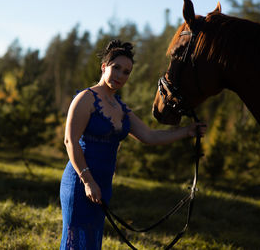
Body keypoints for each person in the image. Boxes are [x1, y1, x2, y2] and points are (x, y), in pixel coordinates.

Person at [59, 39, 206, 249]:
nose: (120, 75)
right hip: (80, 182)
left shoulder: (120, 107)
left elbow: (150, 136)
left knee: (92, 240)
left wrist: (188, 131)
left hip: (103, 184)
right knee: (77, 240)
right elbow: (70, 141)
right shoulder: (85, 99)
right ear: (104, 67)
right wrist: (87, 181)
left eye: (126, 72)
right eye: (116, 68)